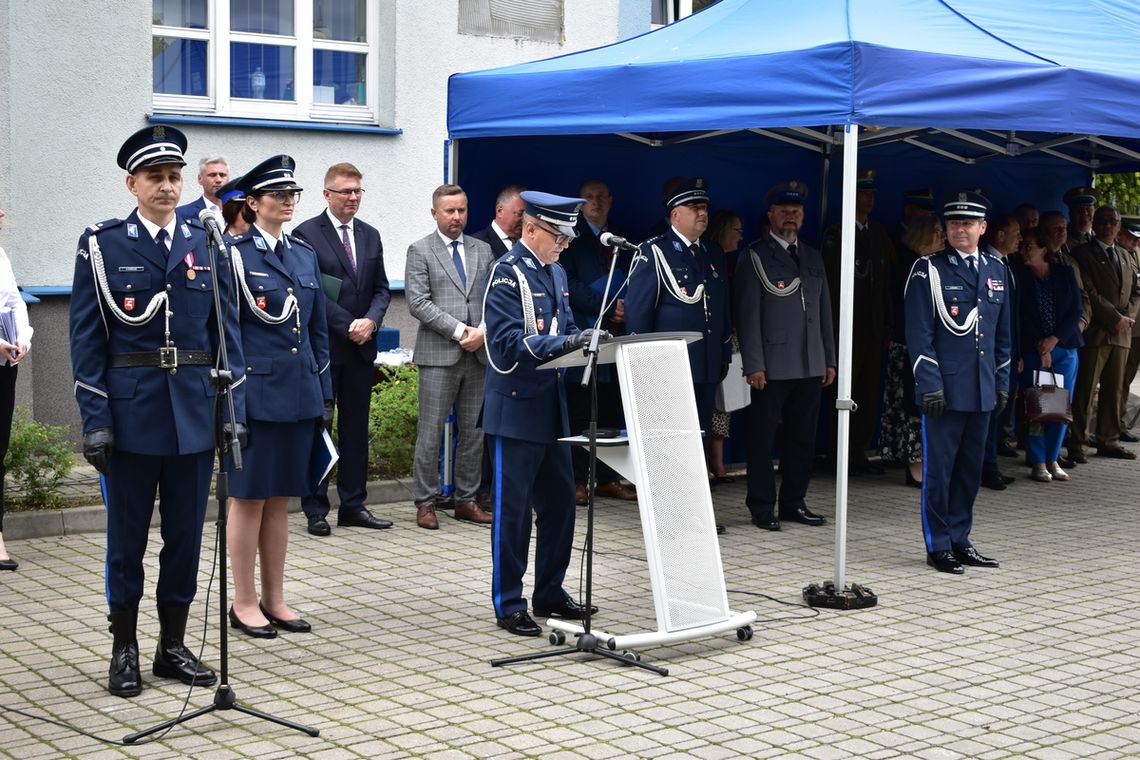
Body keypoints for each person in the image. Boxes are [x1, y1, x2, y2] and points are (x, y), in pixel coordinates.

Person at [69, 125, 245, 696]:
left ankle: (172, 645)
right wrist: (95, 420)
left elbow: (226, 334)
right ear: (132, 184)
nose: (167, 187)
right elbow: (87, 340)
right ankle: (124, 647)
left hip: (193, 413)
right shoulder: (103, 244)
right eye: (155, 178)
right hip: (132, 416)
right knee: (127, 541)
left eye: (174, 177)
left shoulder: (206, 241)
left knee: (186, 540)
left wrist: (229, 409)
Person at [481, 190, 601, 637]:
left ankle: (550, 590)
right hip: (516, 405)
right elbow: (509, 341)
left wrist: (586, 337)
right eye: (558, 236)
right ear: (530, 229)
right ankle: (508, 601)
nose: (564, 244)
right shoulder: (506, 274)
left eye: (568, 238)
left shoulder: (555, 272)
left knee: (560, 508)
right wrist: (568, 343)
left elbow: (564, 326)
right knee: (512, 513)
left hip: (553, 408)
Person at [224, 155, 330, 638]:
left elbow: (315, 332)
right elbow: (228, 336)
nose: (287, 202)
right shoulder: (234, 254)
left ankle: (275, 596)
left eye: (293, 195)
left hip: (299, 393)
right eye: (277, 195)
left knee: (282, 498)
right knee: (247, 499)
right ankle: (243, 601)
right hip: (256, 396)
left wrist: (323, 395)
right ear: (252, 202)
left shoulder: (303, 254)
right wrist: (233, 406)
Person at [904, 191, 1010, 574]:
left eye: (968, 223)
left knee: (969, 470)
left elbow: (1003, 336)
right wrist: (928, 383)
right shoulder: (928, 269)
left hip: (981, 388)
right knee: (940, 471)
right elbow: (919, 333)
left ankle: (961, 538)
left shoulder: (997, 270)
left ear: (983, 228)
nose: (960, 229)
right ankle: (939, 544)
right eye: (953, 224)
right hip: (944, 390)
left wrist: (1001, 382)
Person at [625, 177, 732, 531]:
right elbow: (639, 317)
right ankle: (669, 515)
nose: (703, 214)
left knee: (697, 438)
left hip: (704, 367)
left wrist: (722, 354)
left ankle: (695, 511)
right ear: (675, 215)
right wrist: (645, 370)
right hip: (668, 368)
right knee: (669, 444)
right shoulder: (653, 251)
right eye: (695, 208)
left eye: (705, 208)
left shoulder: (712, 252)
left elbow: (721, 308)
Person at [294, 162, 393, 536]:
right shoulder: (305, 235)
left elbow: (383, 288)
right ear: (326, 195)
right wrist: (346, 324)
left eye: (357, 192)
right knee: (322, 427)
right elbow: (311, 291)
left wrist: (371, 321)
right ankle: (315, 508)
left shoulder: (370, 235)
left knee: (355, 429)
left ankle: (353, 504)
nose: (352, 198)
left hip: (361, 348)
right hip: (326, 349)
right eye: (345, 192)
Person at [734, 180, 836, 531]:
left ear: (803, 216)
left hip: (809, 362)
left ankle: (794, 502)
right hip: (772, 367)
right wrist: (754, 363)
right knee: (763, 440)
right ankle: (762, 506)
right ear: (771, 215)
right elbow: (747, 315)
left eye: (796, 212)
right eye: (784, 212)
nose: (790, 217)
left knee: (802, 438)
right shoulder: (755, 256)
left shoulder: (811, 255)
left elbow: (824, 311)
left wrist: (829, 358)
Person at [405, 184, 495, 530]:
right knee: (430, 432)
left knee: (474, 432)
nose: (456, 217)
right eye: (449, 211)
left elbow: (492, 297)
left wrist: (483, 331)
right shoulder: (420, 250)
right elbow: (418, 302)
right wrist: (461, 332)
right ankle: (425, 502)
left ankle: (466, 500)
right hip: (441, 353)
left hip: (478, 354)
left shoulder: (482, 250)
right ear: (434, 214)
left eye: (461, 210)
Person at [559, 178, 636, 504]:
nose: (596, 202)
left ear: (611, 200)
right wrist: (605, 307)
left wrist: (627, 307)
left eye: (601, 196)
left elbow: (636, 278)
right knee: (580, 410)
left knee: (610, 408)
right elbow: (568, 283)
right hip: (584, 333)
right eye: (588, 197)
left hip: (617, 337)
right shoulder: (571, 241)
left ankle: (606, 478)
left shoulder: (623, 239)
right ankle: (577, 479)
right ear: (579, 204)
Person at [821, 169, 893, 475]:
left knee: (867, 391)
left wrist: (886, 326)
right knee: (841, 392)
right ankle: (836, 452)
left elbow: (886, 283)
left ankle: (858, 450)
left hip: (873, 327)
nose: (870, 199)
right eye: (864, 193)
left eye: (872, 193)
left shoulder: (878, 234)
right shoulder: (836, 234)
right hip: (845, 328)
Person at [1067, 205, 1139, 462]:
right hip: (1097, 331)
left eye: (1113, 221)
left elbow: (1135, 291)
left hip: (1122, 333)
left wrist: (1125, 319)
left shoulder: (1125, 254)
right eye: (1103, 221)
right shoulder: (1082, 253)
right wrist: (1113, 318)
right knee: (1085, 390)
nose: (1108, 225)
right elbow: (1087, 290)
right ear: (1095, 225)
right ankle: (1078, 443)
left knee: (1115, 389)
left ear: (1119, 226)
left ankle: (1108, 440)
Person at [1013, 227, 1083, 482]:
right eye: (1021, 247)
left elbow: (1076, 310)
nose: (1023, 251)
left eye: (1028, 246)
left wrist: (1054, 340)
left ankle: (1053, 458)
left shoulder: (1064, 273)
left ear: (1044, 249)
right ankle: (1038, 460)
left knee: (1059, 407)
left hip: (1064, 348)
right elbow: (1017, 317)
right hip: (1034, 351)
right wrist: (1040, 346)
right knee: (1038, 408)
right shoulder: (1019, 276)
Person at [881, 215, 944, 487]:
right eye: (938, 233)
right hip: (910, 347)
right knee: (912, 406)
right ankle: (915, 466)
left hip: (928, 346)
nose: (943, 238)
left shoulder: (935, 264)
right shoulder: (912, 265)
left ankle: (925, 464)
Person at [0, 206, 32, 572]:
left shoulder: (2, 254)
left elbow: (13, 302)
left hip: (5, 364)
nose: (3, 213)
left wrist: (22, 338)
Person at [979, 214, 1021, 490]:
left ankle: (991, 465)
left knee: (998, 413)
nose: (1020, 238)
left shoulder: (1008, 265)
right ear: (1000, 235)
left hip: (1006, 354)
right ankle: (986, 469)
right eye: (1015, 233)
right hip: (986, 356)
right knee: (987, 416)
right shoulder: (985, 265)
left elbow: (1010, 318)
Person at [706, 209, 744, 484]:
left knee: (725, 402)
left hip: (730, 339)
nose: (741, 236)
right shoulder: (712, 259)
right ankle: (711, 464)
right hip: (714, 338)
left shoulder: (734, 261)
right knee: (712, 403)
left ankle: (718, 463)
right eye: (736, 230)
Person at [1116, 216, 1140, 442]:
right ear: (1121, 234)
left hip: (1136, 328)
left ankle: (1119, 422)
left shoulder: (1135, 254)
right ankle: (1115, 424)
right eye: (1131, 237)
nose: (1135, 242)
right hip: (1124, 326)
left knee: (1127, 377)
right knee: (1119, 379)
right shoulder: (1116, 254)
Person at [471, 184, 526, 259]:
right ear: (500, 211)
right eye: (520, 214)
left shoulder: (528, 243)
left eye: (526, 216)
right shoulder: (476, 243)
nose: (524, 220)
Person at [176, 155, 230, 221]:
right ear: (200, 179)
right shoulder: (181, 214)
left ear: (228, 179)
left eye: (222, 175)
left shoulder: (239, 212)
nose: (218, 180)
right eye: (212, 175)